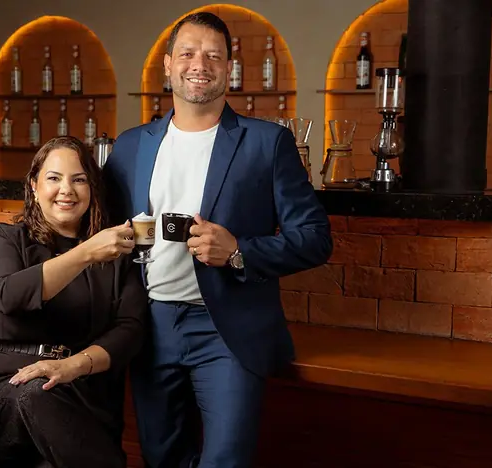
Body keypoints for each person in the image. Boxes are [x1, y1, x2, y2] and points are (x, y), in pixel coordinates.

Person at [102, 12, 333, 468]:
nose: (199, 64)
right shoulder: (131, 146)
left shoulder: (267, 143)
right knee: (161, 458)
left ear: (229, 67)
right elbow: (102, 227)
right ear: (168, 64)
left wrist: (240, 252)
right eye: (187, 53)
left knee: (225, 460)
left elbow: (315, 237)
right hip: (149, 327)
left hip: (227, 330)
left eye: (213, 55)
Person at [0, 136, 147, 468]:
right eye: (54, 178)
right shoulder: (8, 238)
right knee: (38, 391)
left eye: (79, 179)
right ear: (34, 187)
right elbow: (8, 295)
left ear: (92, 189)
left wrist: (72, 366)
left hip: (79, 403)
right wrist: (85, 253)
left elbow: (131, 330)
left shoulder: (116, 255)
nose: (66, 189)